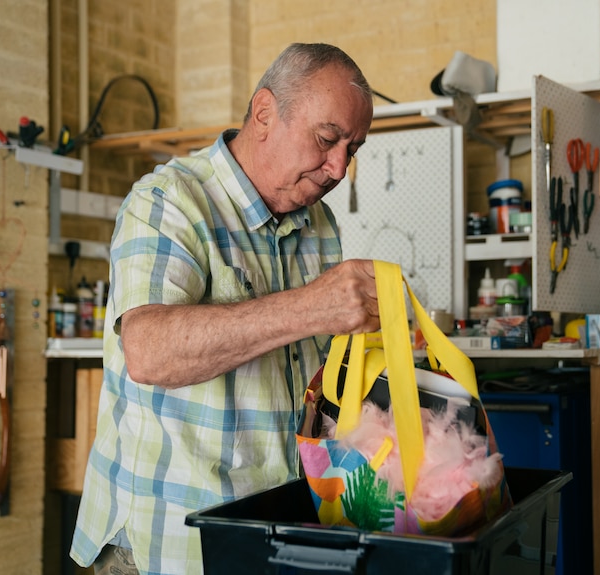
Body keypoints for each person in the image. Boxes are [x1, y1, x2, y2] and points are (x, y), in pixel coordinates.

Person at [71, 43, 379, 575]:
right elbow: (148, 352)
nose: (338, 168)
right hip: (167, 543)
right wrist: (312, 307)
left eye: (352, 149)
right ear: (264, 114)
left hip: (269, 536)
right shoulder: (169, 201)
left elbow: (319, 383)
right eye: (328, 139)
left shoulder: (320, 224)